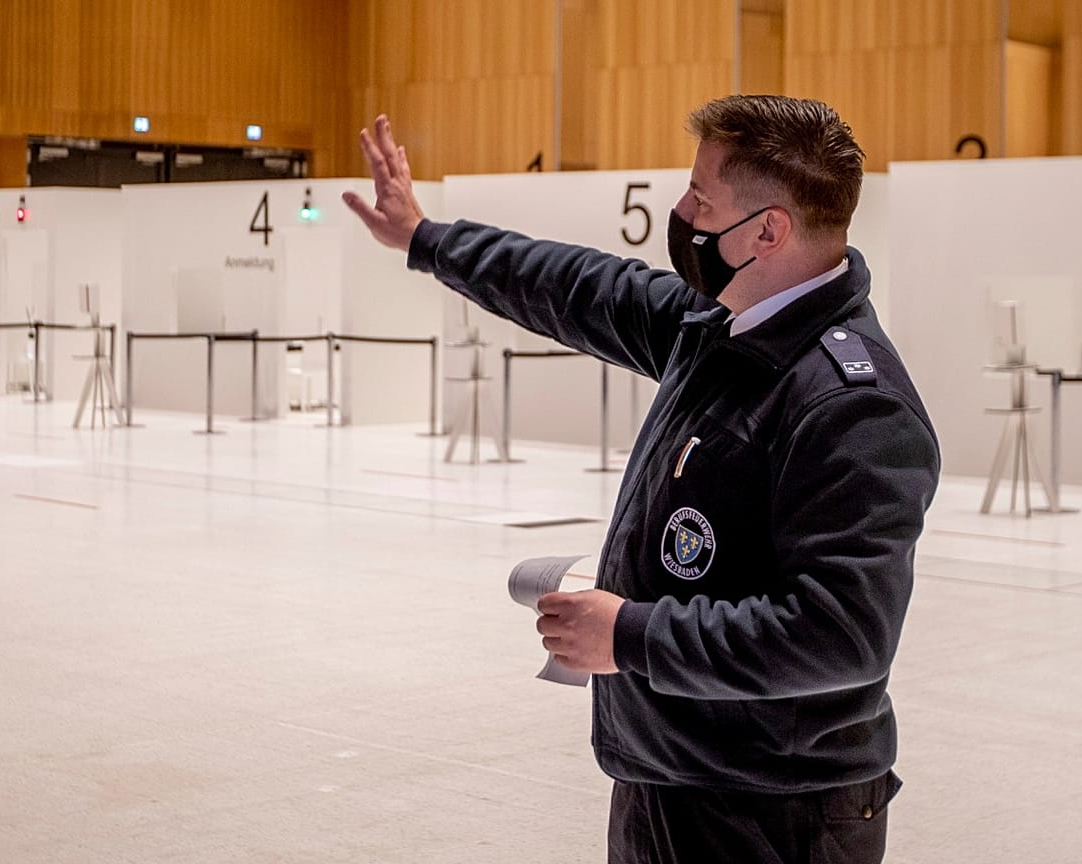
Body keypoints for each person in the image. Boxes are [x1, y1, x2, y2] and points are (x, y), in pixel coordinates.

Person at [343, 95, 940, 864]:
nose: (681, 214)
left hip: (773, 812)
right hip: (669, 779)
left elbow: (840, 635)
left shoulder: (853, 406)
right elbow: (579, 287)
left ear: (768, 231)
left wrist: (629, 634)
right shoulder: (721, 327)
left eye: (701, 198)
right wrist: (427, 239)